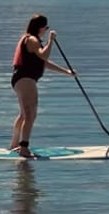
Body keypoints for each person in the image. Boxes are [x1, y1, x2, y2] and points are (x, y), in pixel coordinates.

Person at [10, 14, 75, 158]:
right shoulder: (32, 40)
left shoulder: (31, 40)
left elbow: (43, 63)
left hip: (21, 80)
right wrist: (51, 41)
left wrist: (66, 72)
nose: (46, 30)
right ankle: (24, 148)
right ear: (41, 28)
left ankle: (14, 145)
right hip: (25, 79)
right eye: (46, 28)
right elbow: (44, 56)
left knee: (24, 114)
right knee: (30, 114)